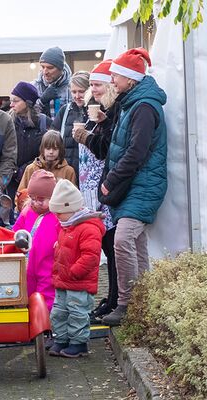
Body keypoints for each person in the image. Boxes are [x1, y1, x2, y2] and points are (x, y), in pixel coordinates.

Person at [99, 48, 168, 326]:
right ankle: (144, 303)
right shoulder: (133, 103)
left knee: (122, 240)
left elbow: (136, 152)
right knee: (137, 244)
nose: (112, 80)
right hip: (136, 185)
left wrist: (111, 180)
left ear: (130, 78)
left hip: (143, 185)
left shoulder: (144, 108)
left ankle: (127, 304)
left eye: (116, 75)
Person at [73, 60, 119, 320]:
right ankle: (111, 299)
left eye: (98, 84)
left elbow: (104, 149)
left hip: (104, 190)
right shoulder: (96, 111)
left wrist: (88, 136)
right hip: (90, 192)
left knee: (111, 248)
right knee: (105, 246)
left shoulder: (112, 112)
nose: (94, 89)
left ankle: (114, 300)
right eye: (92, 84)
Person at [48, 179, 105, 358]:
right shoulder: (67, 226)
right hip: (63, 281)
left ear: (72, 208)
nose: (57, 216)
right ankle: (62, 339)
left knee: (78, 313)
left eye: (60, 213)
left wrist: (74, 272)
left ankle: (79, 343)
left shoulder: (88, 229)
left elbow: (90, 256)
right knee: (59, 312)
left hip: (78, 282)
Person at [13, 170, 60, 311]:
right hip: (27, 264)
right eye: (32, 198)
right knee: (26, 292)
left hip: (48, 264)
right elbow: (16, 231)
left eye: (41, 199)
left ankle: (46, 318)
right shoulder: (27, 212)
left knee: (46, 294)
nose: (36, 203)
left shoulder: (57, 216)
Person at [7, 81, 51, 203]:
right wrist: (13, 171)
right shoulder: (7, 121)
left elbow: (49, 152)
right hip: (10, 180)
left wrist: (27, 168)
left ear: (27, 102)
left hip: (36, 179)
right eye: (11, 100)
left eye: (16, 101)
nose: (11, 104)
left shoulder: (44, 122)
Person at [51, 71, 90, 180]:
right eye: (74, 92)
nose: (77, 96)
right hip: (66, 173)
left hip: (88, 174)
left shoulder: (96, 112)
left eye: (81, 91)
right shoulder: (65, 111)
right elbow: (53, 139)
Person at [32, 46, 72, 119]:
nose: (45, 72)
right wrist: (41, 101)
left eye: (50, 68)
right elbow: (27, 116)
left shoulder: (72, 87)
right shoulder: (34, 86)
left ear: (61, 68)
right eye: (43, 67)